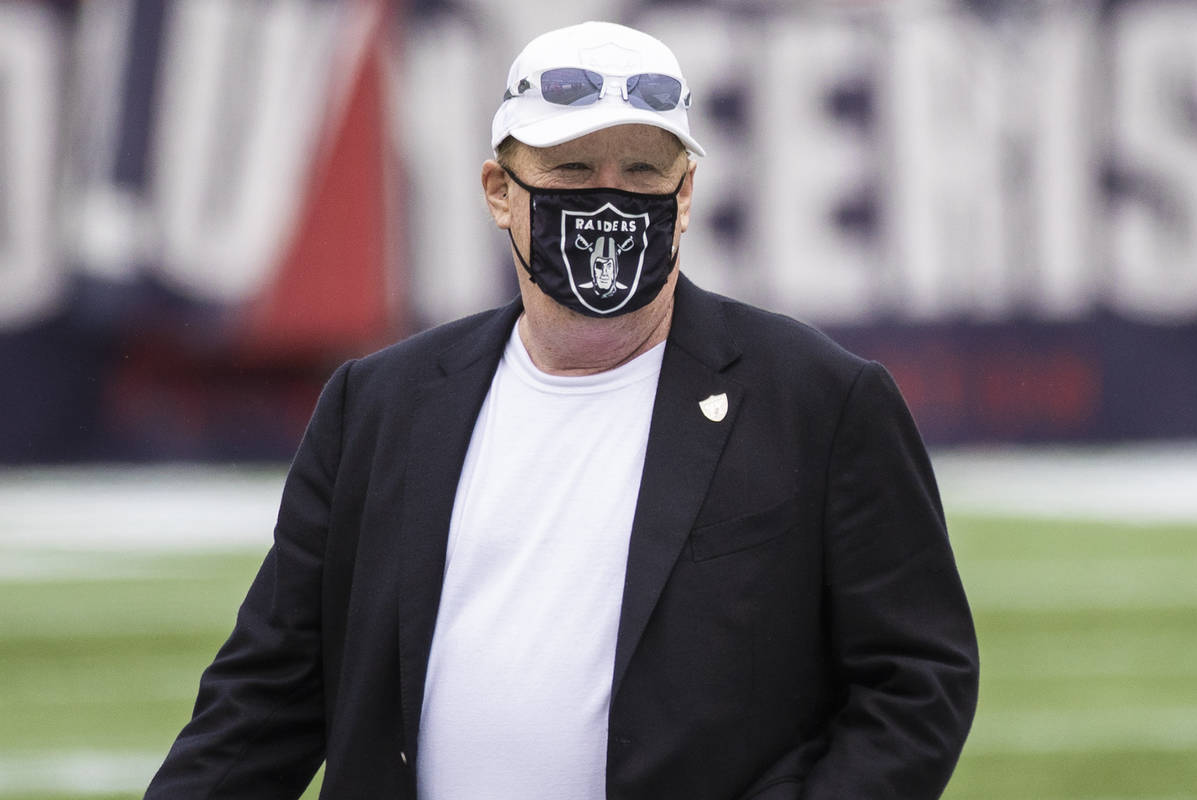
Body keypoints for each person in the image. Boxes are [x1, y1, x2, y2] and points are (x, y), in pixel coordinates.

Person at [146, 20, 978, 800]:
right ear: (499, 191)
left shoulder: (819, 401)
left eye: (643, 173)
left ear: (686, 194)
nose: (609, 200)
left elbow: (917, 681)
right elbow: (270, 692)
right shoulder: (381, 404)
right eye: (573, 170)